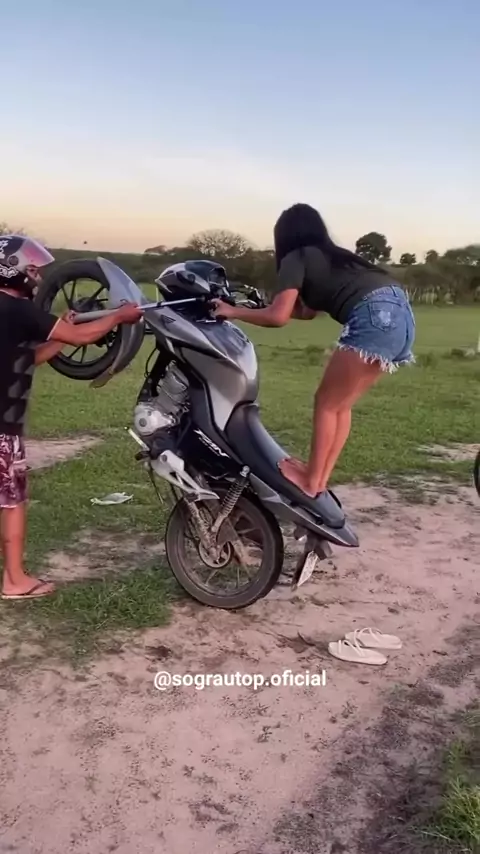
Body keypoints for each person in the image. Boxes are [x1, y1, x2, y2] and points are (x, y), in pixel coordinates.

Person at [211, 203, 415, 498]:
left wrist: (232, 311)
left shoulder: (296, 257)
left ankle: (311, 480)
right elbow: (305, 313)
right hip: (402, 318)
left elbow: (278, 317)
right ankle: (318, 477)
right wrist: (257, 308)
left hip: (374, 315)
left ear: (284, 235)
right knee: (340, 405)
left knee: (327, 403)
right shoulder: (335, 258)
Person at [0, 234, 142, 599]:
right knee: (12, 503)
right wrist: (119, 316)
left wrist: (60, 333)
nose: (37, 277)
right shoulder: (19, 310)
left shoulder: (9, 313)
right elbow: (84, 337)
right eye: (33, 270)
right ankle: (14, 580)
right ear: (14, 270)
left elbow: (27, 358)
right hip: (2, 429)